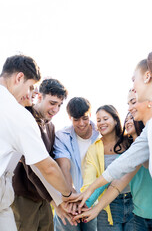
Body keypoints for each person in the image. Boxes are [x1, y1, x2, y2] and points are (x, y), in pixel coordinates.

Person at [71, 52, 152, 230]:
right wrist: (91, 197)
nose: (133, 85)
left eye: (133, 80)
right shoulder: (151, 126)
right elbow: (123, 165)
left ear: (147, 76)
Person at [0, 54, 75, 231]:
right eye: (30, 87)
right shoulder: (18, 114)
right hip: (20, 194)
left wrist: (57, 199)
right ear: (19, 78)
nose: (30, 94)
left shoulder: (48, 126)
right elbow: (43, 167)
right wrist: (67, 195)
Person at [12, 78, 72, 230]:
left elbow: (52, 163)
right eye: (52, 103)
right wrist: (56, 201)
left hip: (43, 198)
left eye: (59, 105)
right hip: (23, 196)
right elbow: (33, 168)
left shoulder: (51, 127)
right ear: (39, 96)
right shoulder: (25, 119)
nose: (56, 110)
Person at [81, 105, 134, 230]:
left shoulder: (130, 142)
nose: (101, 123)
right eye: (98, 120)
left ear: (115, 120)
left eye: (105, 119)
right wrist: (84, 200)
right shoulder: (94, 148)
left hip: (134, 201)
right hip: (108, 205)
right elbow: (89, 179)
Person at [53, 97, 99, 231]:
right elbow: (64, 167)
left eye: (85, 118)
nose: (81, 123)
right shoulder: (62, 136)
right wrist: (70, 196)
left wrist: (87, 199)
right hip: (68, 202)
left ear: (90, 115)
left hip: (93, 202)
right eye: (76, 119)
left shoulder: (100, 134)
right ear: (69, 117)